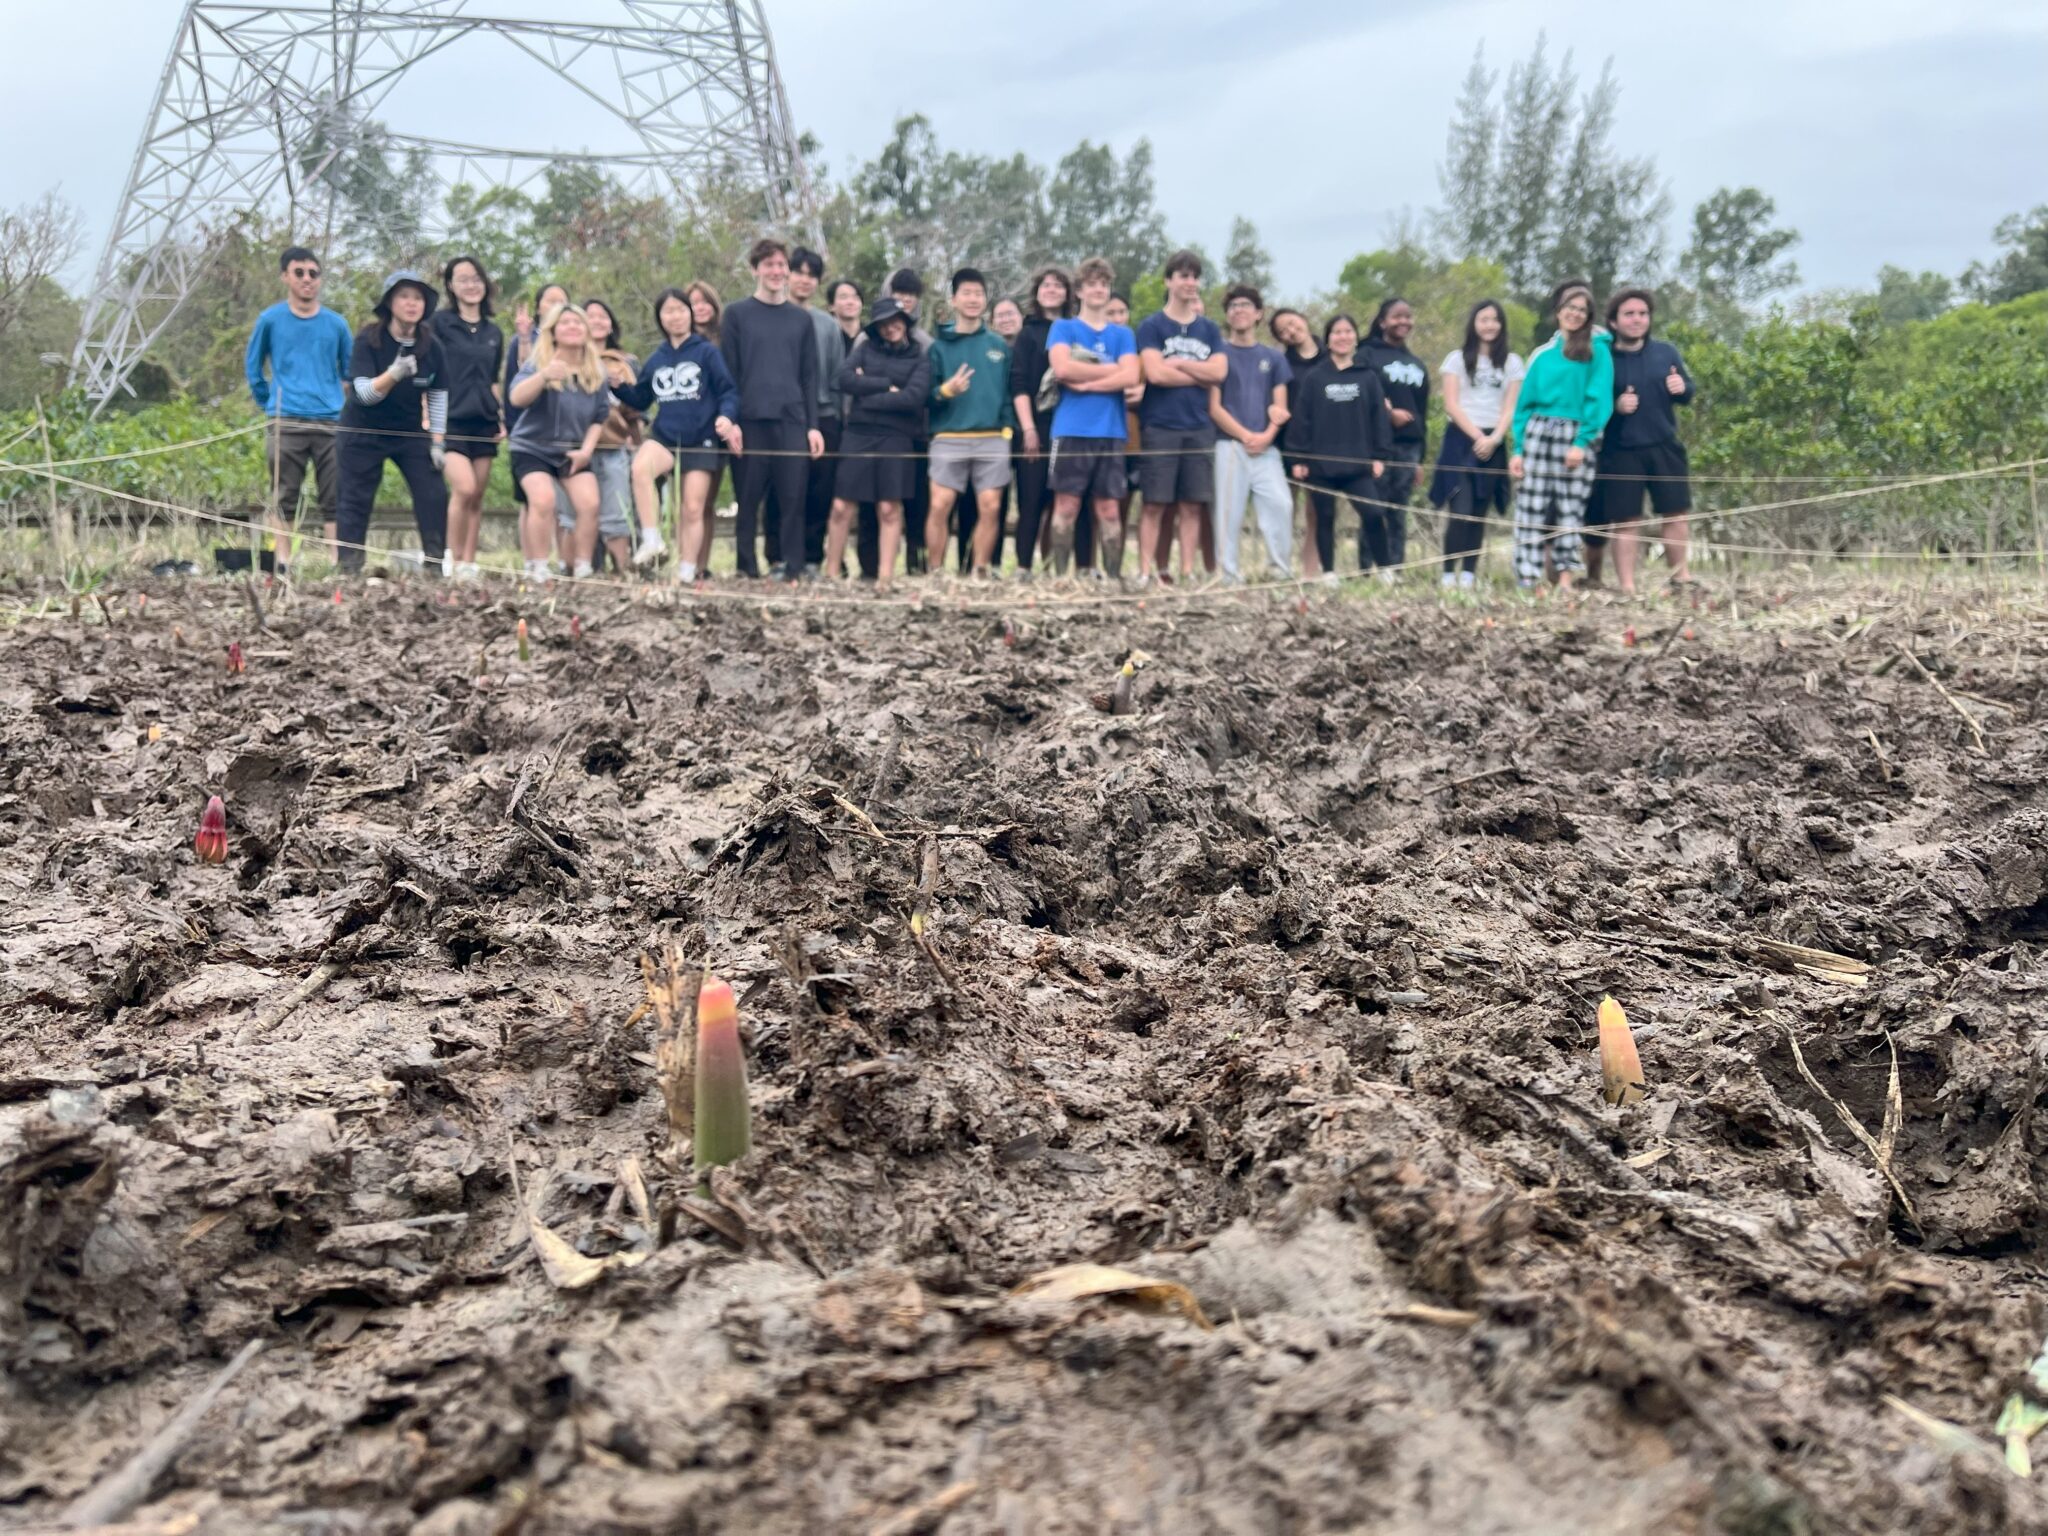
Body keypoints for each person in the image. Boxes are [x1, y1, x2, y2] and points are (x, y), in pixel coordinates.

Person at [615, 287, 740, 583]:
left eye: (681, 309)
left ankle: (686, 573)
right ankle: (652, 540)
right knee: (640, 469)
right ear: (660, 318)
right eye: (668, 311)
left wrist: (726, 417)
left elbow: (728, 391)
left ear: (690, 314)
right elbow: (641, 398)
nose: (675, 316)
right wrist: (617, 386)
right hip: (665, 435)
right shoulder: (657, 357)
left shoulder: (706, 352)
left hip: (701, 437)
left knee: (692, 507)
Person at [720, 239, 822, 582]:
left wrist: (813, 426)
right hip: (749, 421)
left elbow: (810, 375)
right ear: (755, 269)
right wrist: (731, 421)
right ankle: (746, 567)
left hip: (792, 421)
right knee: (748, 500)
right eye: (769, 265)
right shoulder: (736, 314)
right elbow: (728, 373)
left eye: (782, 266)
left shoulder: (800, 319)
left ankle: (794, 567)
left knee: (793, 498)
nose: (776, 272)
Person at [335, 271, 449, 575]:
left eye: (418, 298)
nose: (412, 304)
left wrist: (438, 442)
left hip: (409, 430)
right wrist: (393, 374)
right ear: (389, 303)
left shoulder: (431, 346)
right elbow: (363, 394)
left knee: (433, 492)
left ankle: (435, 565)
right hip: (362, 430)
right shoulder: (369, 339)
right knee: (354, 497)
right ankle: (349, 566)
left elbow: (438, 395)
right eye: (404, 296)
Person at [245, 245, 352, 567]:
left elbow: (349, 372)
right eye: (300, 273)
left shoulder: (337, 324)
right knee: (285, 493)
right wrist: (270, 402)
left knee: (334, 494)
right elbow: (253, 368)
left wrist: (338, 403)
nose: (307, 280)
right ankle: (283, 560)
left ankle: (337, 560)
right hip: (286, 419)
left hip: (330, 422)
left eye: (313, 274)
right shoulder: (270, 320)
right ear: (285, 277)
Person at [1586, 287, 1696, 593]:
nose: (1637, 320)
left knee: (1676, 513)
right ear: (1613, 321)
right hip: (1620, 450)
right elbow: (1592, 402)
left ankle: (1681, 578)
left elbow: (1688, 391)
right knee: (1626, 520)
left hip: (1664, 444)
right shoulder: (1604, 358)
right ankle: (1628, 587)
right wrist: (1616, 406)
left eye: (1643, 314)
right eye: (1629, 314)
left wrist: (1681, 387)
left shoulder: (1666, 352)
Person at [1509, 281, 1613, 592]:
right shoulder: (1541, 355)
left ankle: (1566, 575)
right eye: (1570, 307)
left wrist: (1582, 442)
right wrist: (1518, 449)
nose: (1575, 314)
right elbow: (1523, 406)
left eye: (1582, 310)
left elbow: (1599, 398)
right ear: (1559, 312)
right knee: (1531, 506)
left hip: (1575, 434)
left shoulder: (1597, 353)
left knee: (1570, 507)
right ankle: (1528, 578)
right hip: (1539, 432)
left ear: (1589, 316)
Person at [826, 297, 929, 592]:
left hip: (897, 437)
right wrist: (885, 385)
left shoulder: (919, 357)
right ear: (877, 327)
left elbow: (913, 399)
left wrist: (867, 391)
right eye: (884, 322)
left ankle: (885, 577)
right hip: (857, 433)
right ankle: (831, 573)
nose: (890, 327)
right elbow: (844, 379)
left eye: (896, 320)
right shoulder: (865, 349)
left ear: (905, 322)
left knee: (888, 508)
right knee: (841, 505)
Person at [1136, 251, 1227, 583]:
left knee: (1192, 505)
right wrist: (1199, 373)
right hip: (1160, 426)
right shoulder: (1151, 326)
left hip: (1199, 427)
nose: (1190, 282)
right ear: (1169, 281)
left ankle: (1187, 572)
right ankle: (1145, 572)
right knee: (1154, 504)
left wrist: (1179, 364)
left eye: (1194, 276)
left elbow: (1219, 372)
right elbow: (1156, 375)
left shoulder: (1210, 329)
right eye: (1183, 276)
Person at [507, 304, 615, 583]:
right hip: (532, 447)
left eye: (578, 322)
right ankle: (538, 568)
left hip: (573, 450)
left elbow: (600, 416)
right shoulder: (538, 363)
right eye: (565, 322)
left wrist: (587, 451)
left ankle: (582, 568)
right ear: (553, 332)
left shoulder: (596, 370)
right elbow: (516, 398)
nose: (573, 327)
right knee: (543, 501)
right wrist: (543, 377)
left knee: (590, 503)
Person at [1045, 256, 1140, 578]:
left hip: (1112, 431)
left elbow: (1131, 375)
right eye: (1092, 284)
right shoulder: (1064, 327)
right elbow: (1061, 367)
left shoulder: (1123, 334)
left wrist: (1086, 381)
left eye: (1104, 284)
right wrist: (1112, 369)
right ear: (1080, 291)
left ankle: (1113, 579)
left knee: (1110, 510)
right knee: (1066, 507)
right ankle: (1061, 578)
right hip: (1071, 429)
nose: (1099, 290)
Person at [924, 268, 1014, 577]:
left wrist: (1007, 430)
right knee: (940, 503)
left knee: (990, 505)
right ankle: (935, 570)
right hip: (949, 436)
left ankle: (980, 569)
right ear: (954, 299)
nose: (973, 299)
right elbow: (926, 395)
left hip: (992, 437)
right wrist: (945, 391)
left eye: (978, 293)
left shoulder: (998, 346)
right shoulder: (939, 346)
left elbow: (1007, 394)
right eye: (967, 293)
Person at [1428, 299, 1524, 588]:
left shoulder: (1512, 362)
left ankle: (1469, 575)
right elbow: (1452, 404)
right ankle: (1448, 574)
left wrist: (1494, 439)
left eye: (1495, 320)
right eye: (1484, 319)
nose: (1489, 325)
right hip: (1461, 438)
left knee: (1480, 513)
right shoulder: (1456, 360)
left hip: (1493, 440)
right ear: (1474, 323)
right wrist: (1477, 436)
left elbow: (1510, 408)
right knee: (1461, 511)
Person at [1289, 315, 1388, 579]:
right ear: (1328, 339)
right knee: (1324, 517)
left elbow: (1379, 418)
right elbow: (1302, 418)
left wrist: (1380, 456)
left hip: (1359, 465)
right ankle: (1329, 573)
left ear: (1355, 338)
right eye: (1336, 332)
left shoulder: (1367, 377)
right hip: (1322, 465)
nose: (1343, 337)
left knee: (1374, 513)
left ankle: (1388, 570)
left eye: (1348, 331)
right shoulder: (1315, 377)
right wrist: (1299, 458)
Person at [1208, 285, 1293, 582]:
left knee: (1281, 504)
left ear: (1258, 313)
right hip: (1229, 445)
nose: (1239, 310)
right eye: (1232, 306)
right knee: (1228, 513)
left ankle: (1279, 571)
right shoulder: (1217, 354)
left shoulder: (1275, 358)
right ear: (1227, 315)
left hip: (1267, 448)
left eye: (1245, 305)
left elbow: (1280, 407)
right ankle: (1228, 575)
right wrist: (1245, 436)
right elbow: (1214, 408)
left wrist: (1267, 435)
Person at [430, 255, 504, 581]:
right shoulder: (439, 324)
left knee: (477, 495)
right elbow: (427, 370)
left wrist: (501, 415)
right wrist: (426, 413)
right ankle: (451, 558)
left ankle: (469, 564)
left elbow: (493, 379)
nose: (471, 285)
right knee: (464, 488)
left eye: (476, 278)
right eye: (463, 279)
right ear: (450, 286)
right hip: (450, 419)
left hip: (484, 420)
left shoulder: (494, 331)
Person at [1008, 266, 1072, 576]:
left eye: (1058, 285)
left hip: (1072, 426)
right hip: (1036, 426)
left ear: (1067, 293)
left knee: (1061, 502)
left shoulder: (1076, 329)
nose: (1052, 290)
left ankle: (1053, 569)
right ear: (1037, 292)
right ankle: (1023, 567)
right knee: (1030, 501)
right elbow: (1018, 385)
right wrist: (1028, 428)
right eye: (1046, 285)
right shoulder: (1028, 333)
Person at [1362, 298, 1430, 571]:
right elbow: (1361, 392)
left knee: (1398, 511)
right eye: (1396, 316)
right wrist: (1388, 413)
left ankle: (1394, 570)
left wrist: (1419, 460)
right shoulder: (1367, 354)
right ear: (1382, 322)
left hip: (1409, 448)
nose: (1403, 321)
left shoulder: (1416, 363)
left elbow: (1422, 411)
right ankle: (1367, 569)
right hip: (1376, 445)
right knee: (1373, 508)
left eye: (1408, 316)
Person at [789, 248, 844, 574]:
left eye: (811, 275)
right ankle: (781, 557)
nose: (804, 280)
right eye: (799, 272)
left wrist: (835, 418)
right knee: (784, 492)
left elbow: (837, 375)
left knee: (819, 491)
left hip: (824, 415)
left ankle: (811, 558)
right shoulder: (773, 315)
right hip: (785, 416)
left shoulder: (827, 324)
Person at [581, 297, 643, 575]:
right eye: (590, 315)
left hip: (615, 444)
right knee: (582, 512)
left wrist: (637, 441)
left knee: (618, 513)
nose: (597, 321)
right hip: (577, 447)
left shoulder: (625, 362)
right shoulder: (569, 359)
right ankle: (587, 568)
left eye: (603, 315)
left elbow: (635, 409)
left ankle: (623, 570)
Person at [1269, 308, 1323, 577]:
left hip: (1325, 445)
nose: (1291, 331)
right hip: (1289, 443)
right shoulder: (1281, 363)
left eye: (1291, 323)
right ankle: (1281, 565)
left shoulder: (1331, 356)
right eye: (1283, 331)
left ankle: (1311, 570)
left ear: (1303, 318)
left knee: (1316, 511)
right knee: (1284, 505)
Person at [687, 282, 723, 347]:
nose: (700, 308)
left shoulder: (728, 336)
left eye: (705, 302)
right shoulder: (681, 342)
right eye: (694, 303)